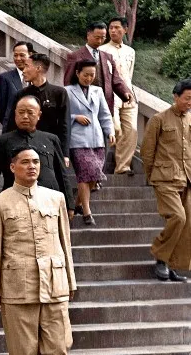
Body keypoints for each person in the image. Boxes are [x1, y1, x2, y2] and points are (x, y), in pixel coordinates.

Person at [0, 146, 76, 355]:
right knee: (23, 352)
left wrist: (71, 279)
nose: (32, 167)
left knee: (60, 346)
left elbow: (65, 242)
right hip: (16, 287)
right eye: (25, 162)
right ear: (12, 167)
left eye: (36, 162)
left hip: (54, 282)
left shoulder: (56, 198)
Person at [0, 96, 74, 215]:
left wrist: (69, 204)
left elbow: (62, 174)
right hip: (14, 204)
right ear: (15, 113)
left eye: (30, 112)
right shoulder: (2, 141)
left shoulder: (51, 139)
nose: (25, 116)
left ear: (39, 115)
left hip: (49, 202)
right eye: (21, 112)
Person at [140, 79, 191, 282]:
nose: (190, 102)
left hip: (187, 178)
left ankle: (172, 265)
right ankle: (160, 256)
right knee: (178, 217)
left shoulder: (189, 120)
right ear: (176, 97)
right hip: (164, 179)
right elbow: (147, 152)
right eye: (187, 98)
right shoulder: (159, 119)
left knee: (188, 224)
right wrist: (153, 176)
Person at [66, 60, 115, 225]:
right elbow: (62, 116)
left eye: (92, 75)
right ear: (77, 73)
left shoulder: (98, 91)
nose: (88, 78)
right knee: (84, 174)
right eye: (85, 74)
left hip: (96, 139)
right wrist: (75, 118)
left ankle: (77, 203)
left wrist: (110, 131)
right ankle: (87, 212)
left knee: (93, 175)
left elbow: (104, 114)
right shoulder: (67, 92)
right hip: (77, 140)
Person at [6, 53, 70, 158]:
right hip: (24, 148)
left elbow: (65, 125)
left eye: (27, 66)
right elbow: (11, 123)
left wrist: (64, 154)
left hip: (50, 149)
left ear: (38, 68)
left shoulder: (59, 93)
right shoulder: (21, 95)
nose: (23, 70)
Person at [63, 21, 132, 118]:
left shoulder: (108, 57)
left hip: (105, 104)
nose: (100, 41)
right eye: (97, 38)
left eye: (103, 38)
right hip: (84, 104)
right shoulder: (75, 56)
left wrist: (125, 92)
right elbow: (68, 82)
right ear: (88, 35)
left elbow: (115, 79)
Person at [99, 17, 138, 175]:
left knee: (132, 130)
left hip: (128, 95)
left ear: (125, 30)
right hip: (110, 95)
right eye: (111, 28)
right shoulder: (102, 50)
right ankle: (100, 167)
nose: (113, 31)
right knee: (116, 129)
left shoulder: (130, 51)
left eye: (116, 28)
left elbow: (129, 74)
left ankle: (123, 167)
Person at [0, 41, 33, 128]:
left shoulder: (35, 78)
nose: (18, 59)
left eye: (22, 55)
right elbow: (0, 106)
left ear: (30, 55)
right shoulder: (5, 78)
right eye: (15, 55)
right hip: (12, 129)